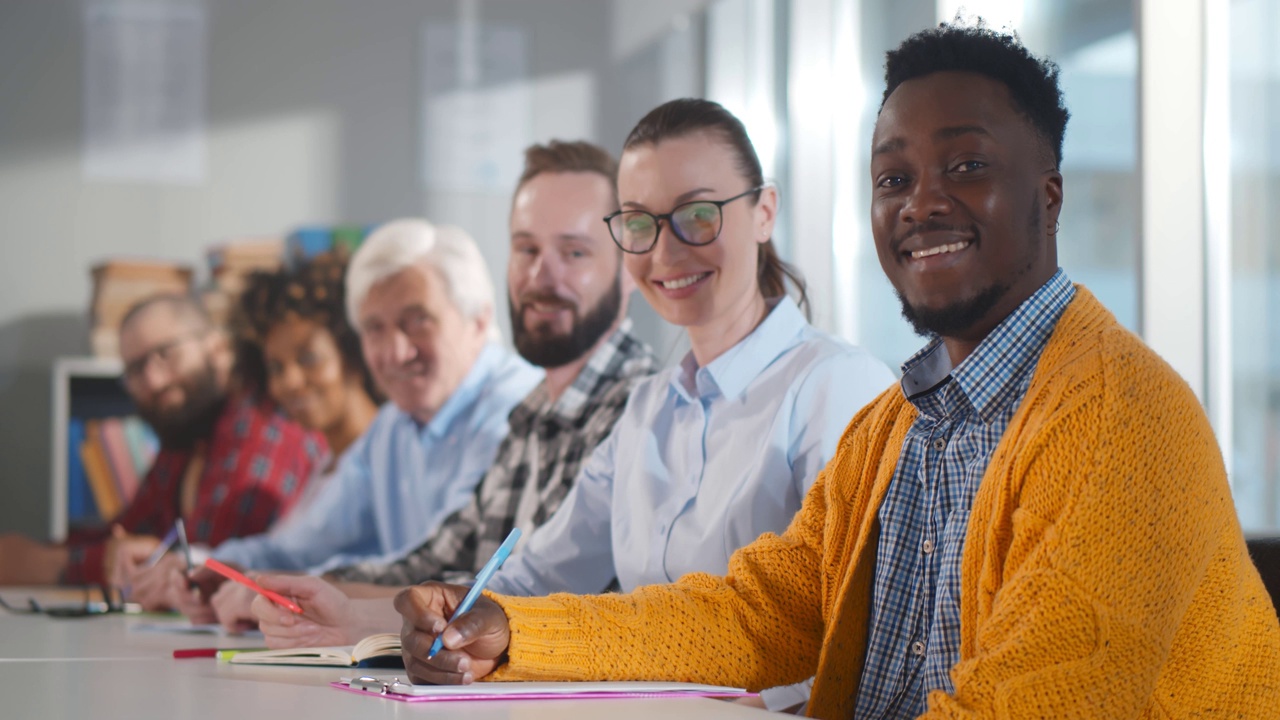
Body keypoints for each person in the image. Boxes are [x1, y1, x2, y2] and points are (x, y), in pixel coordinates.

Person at [391, 23, 1280, 719]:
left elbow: (1034, 702)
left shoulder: (1122, 419)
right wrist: (511, 629)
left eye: (966, 167)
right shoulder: (896, 426)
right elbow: (761, 614)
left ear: (1049, 193)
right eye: (892, 179)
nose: (922, 202)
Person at [259, 100, 894, 711]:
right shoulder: (648, 409)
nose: (666, 250)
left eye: (698, 214)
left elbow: (835, 627)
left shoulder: (837, 388)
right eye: (640, 223)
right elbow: (531, 579)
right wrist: (375, 615)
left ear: (764, 213)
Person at [205, 140, 658, 631]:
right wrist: (294, 590)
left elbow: (533, 597)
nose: (539, 275)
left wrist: (349, 610)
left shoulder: (639, 408)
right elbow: (439, 564)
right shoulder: (534, 411)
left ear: (629, 267)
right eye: (526, 248)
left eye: (574, 251)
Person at [165, 218, 541, 597]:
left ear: (479, 320)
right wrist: (215, 567)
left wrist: (285, 589)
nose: (395, 352)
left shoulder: (518, 412)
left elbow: (447, 571)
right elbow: (301, 545)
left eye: (418, 321)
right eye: (375, 328)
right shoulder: (394, 425)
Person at [0, 294, 325, 587]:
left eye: (166, 355)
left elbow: (202, 565)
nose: (153, 381)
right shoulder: (185, 436)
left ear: (219, 349)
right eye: (136, 370)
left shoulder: (262, 425)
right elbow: (123, 534)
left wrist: (66, 563)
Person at [116, 254, 382, 610]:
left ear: (351, 351)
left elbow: (327, 565)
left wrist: (234, 574)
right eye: (275, 367)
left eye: (308, 358)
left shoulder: (388, 451)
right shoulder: (327, 467)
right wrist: (199, 563)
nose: (289, 382)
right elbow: (286, 550)